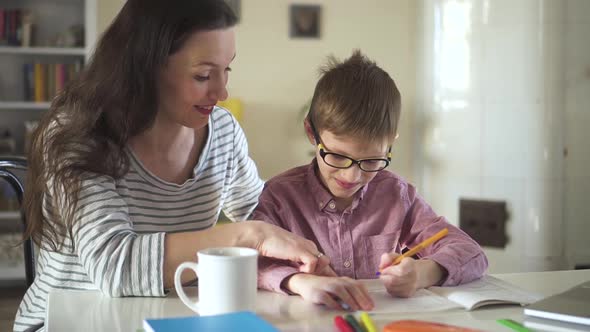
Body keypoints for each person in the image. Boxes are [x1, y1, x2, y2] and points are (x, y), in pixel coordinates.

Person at [14, 1, 329, 331]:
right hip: (69, 323)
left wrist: (304, 268)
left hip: (172, 319)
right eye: (203, 75)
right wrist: (248, 236)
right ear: (146, 67)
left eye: (227, 70)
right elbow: (115, 266)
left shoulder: (222, 132)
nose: (222, 92)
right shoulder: (78, 135)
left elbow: (265, 215)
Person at [252, 50, 488, 311]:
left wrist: (421, 273)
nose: (352, 176)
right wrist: (300, 282)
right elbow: (247, 261)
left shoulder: (397, 195)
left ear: (391, 142)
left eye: (372, 161)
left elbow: (470, 252)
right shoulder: (279, 197)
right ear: (312, 132)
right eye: (338, 157)